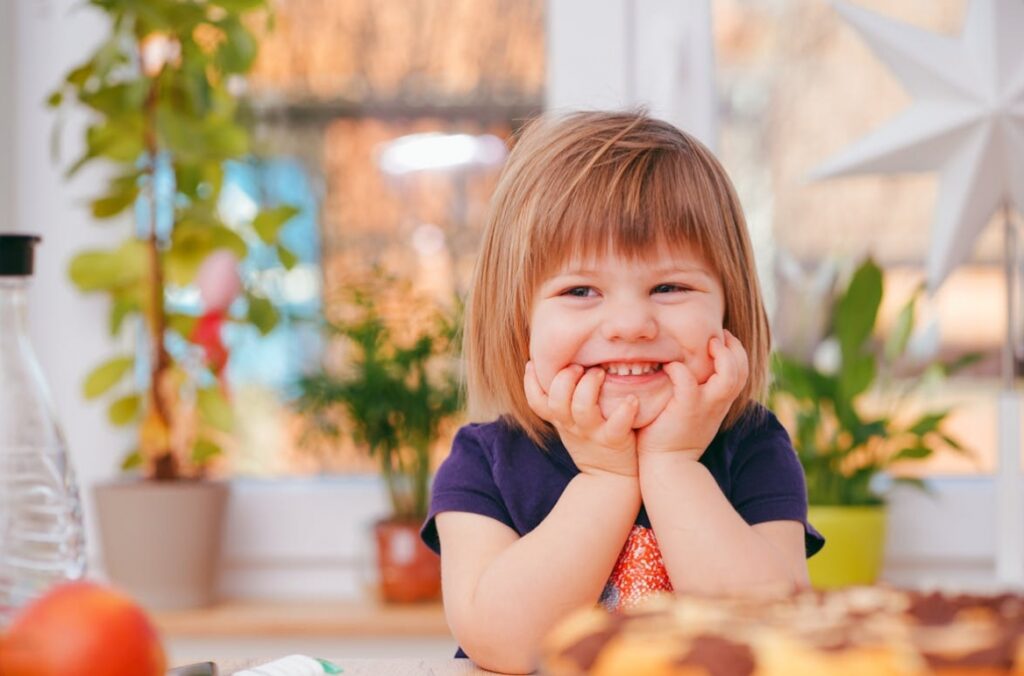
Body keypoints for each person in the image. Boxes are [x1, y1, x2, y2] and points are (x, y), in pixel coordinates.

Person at [419, 110, 824, 674]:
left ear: (729, 310)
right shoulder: (483, 461)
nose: (630, 323)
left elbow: (770, 635)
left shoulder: (753, 446)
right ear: (519, 322)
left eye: (670, 286)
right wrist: (606, 478)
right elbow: (502, 643)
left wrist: (674, 465)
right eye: (581, 290)